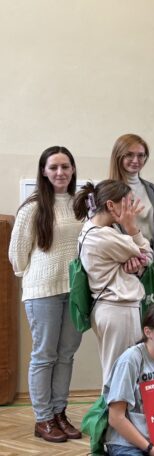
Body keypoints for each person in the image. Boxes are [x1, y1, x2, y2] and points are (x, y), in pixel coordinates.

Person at [9, 146, 84, 443]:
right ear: (43, 171)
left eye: (65, 166)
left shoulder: (81, 204)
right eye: (53, 167)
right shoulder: (32, 207)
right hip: (43, 292)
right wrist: (36, 278)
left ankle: (59, 413)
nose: (60, 172)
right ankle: (43, 419)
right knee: (44, 355)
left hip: (75, 290)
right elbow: (17, 255)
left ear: (73, 170)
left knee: (66, 355)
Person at [73, 180, 152, 383]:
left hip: (112, 308)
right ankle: (111, 406)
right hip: (118, 309)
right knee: (118, 376)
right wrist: (132, 228)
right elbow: (148, 256)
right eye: (129, 203)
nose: (132, 210)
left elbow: (140, 261)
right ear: (111, 205)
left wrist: (132, 265)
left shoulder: (95, 229)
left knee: (121, 373)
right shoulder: (104, 235)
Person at [103, 304, 154, 455]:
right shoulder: (131, 359)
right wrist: (151, 450)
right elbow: (115, 418)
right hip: (127, 443)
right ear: (148, 332)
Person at [108, 134, 154, 257]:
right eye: (129, 154)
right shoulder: (107, 191)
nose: (135, 160)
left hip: (152, 258)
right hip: (124, 260)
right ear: (118, 156)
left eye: (141, 155)